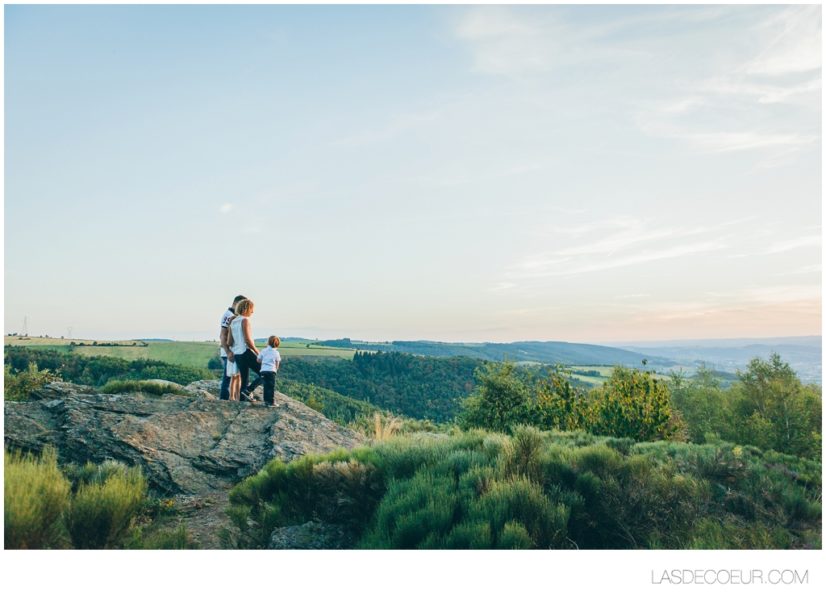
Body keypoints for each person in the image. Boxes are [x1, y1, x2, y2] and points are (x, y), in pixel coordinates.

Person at [227, 298, 263, 402]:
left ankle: (243, 400)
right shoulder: (245, 320)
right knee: (265, 373)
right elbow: (248, 340)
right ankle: (248, 391)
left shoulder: (233, 322)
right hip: (245, 351)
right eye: (252, 309)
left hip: (237, 354)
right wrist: (257, 352)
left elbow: (229, 342)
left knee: (244, 379)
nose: (253, 312)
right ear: (246, 309)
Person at [219, 295, 247, 400]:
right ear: (236, 304)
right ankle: (224, 400)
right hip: (228, 352)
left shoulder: (234, 315)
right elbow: (223, 335)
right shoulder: (228, 315)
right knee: (228, 378)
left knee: (237, 376)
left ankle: (236, 397)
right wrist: (228, 352)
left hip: (235, 351)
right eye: (242, 305)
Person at [257, 336, 282, 406]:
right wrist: (275, 370)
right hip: (271, 371)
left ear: (268, 342)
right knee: (271, 387)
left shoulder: (263, 350)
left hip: (263, 370)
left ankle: (266, 401)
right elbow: (277, 363)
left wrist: (264, 361)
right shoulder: (276, 352)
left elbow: (258, 360)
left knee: (266, 386)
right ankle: (271, 402)